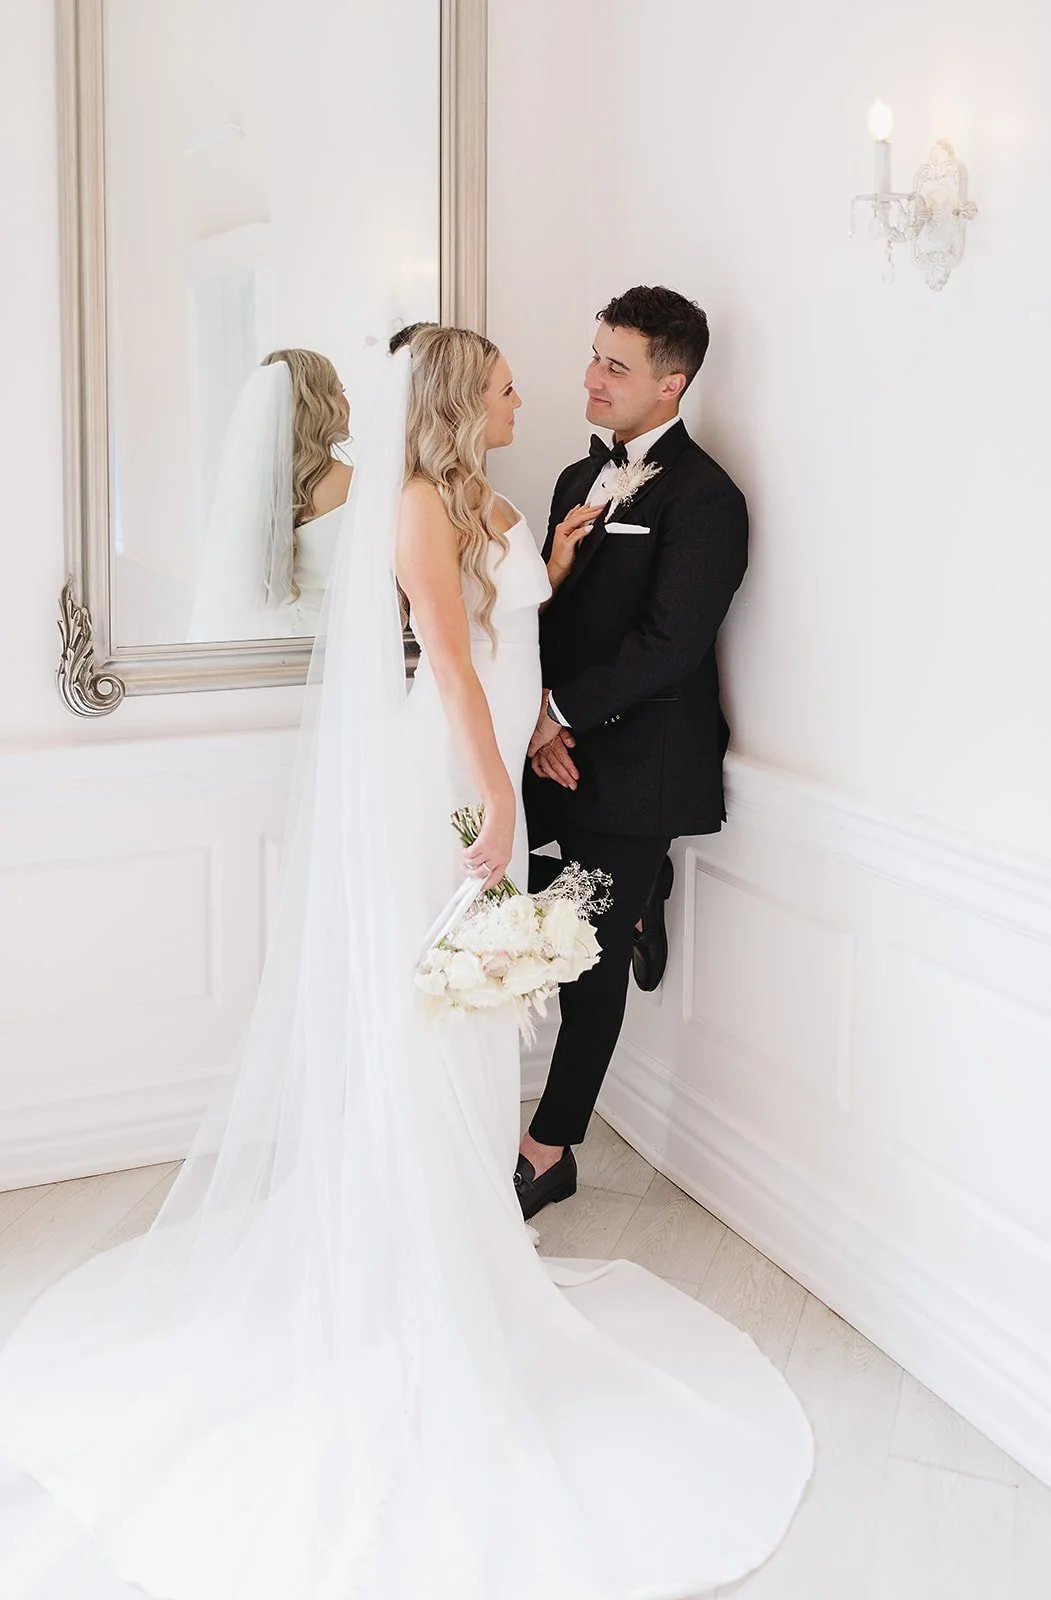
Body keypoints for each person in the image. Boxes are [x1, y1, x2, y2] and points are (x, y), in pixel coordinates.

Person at [0, 328, 810, 1600]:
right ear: (456, 400)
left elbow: (510, 624)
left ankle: (467, 1230)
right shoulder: (416, 505)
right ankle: (414, 1255)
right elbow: (451, 667)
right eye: (503, 387)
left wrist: (546, 570)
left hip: (488, 771)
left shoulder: (487, 496)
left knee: (475, 1014)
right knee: (435, 1008)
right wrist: (495, 789)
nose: (525, 397)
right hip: (444, 778)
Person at [518, 287, 748, 1222]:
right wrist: (538, 722)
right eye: (594, 355)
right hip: (553, 746)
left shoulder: (708, 499)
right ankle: (645, 890)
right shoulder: (577, 478)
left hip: (641, 762)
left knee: (591, 962)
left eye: (615, 365)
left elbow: (670, 645)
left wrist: (556, 713)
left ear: (671, 383)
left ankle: (548, 1150)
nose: (591, 377)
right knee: (496, 892)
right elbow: (547, 613)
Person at [187, 347, 352, 641]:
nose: (346, 401)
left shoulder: (248, 489)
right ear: (323, 403)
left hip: (267, 647)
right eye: (341, 390)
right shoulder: (354, 483)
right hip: (334, 644)